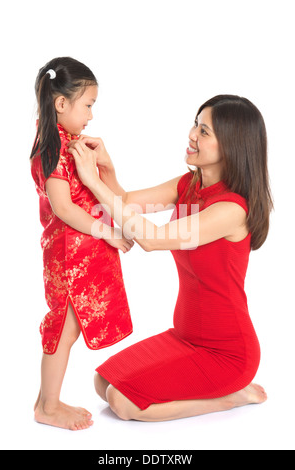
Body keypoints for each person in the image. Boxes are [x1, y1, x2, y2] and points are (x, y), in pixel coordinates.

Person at [68, 94, 272, 422]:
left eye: (204, 132)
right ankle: (219, 391)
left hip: (227, 353)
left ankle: (229, 397)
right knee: (102, 381)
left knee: (123, 402)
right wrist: (106, 167)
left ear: (231, 145)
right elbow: (123, 204)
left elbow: (150, 239)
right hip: (186, 336)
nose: (192, 134)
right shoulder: (188, 186)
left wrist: (92, 180)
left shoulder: (231, 210)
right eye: (196, 125)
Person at [30, 57, 134, 430]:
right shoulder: (52, 145)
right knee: (62, 326)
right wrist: (107, 231)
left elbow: (97, 192)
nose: (91, 114)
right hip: (66, 251)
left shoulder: (71, 142)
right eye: (87, 105)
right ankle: (47, 405)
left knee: (70, 327)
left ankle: (48, 401)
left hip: (82, 247)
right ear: (62, 104)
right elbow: (63, 207)